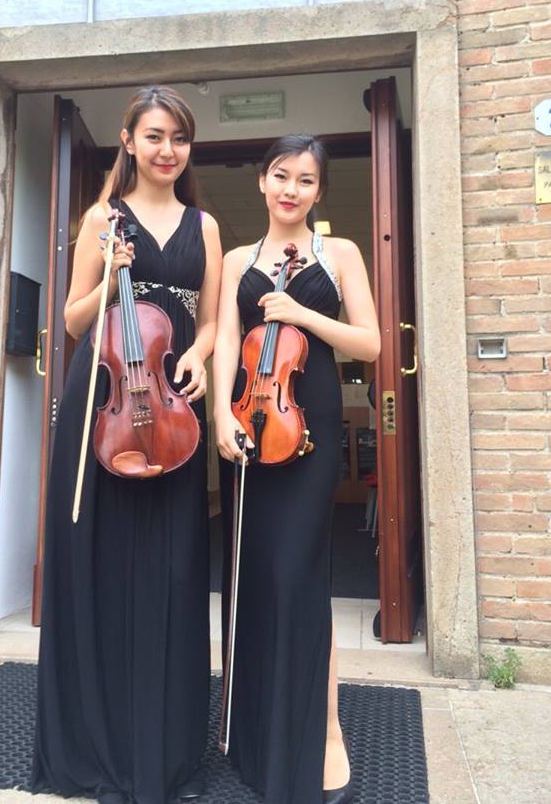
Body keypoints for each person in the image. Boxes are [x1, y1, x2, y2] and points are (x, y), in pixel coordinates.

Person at [32, 85, 223, 804]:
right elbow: (74, 319)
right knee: (106, 568)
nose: (167, 150)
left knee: (172, 573)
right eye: (154, 136)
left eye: (179, 138)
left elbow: (210, 319)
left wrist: (198, 354)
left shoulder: (203, 225)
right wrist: (112, 273)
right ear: (128, 140)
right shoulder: (101, 217)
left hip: (171, 411)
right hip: (106, 407)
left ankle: (164, 753)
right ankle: (101, 747)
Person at [213, 134, 380, 804]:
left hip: (309, 423)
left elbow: (370, 342)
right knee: (256, 576)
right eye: (281, 176)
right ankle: (256, 728)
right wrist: (219, 416)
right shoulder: (237, 260)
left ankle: (326, 729)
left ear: (318, 191)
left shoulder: (341, 254)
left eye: (305, 180)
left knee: (299, 577)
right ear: (262, 180)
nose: (291, 190)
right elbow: (228, 340)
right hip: (250, 421)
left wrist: (303, 313)